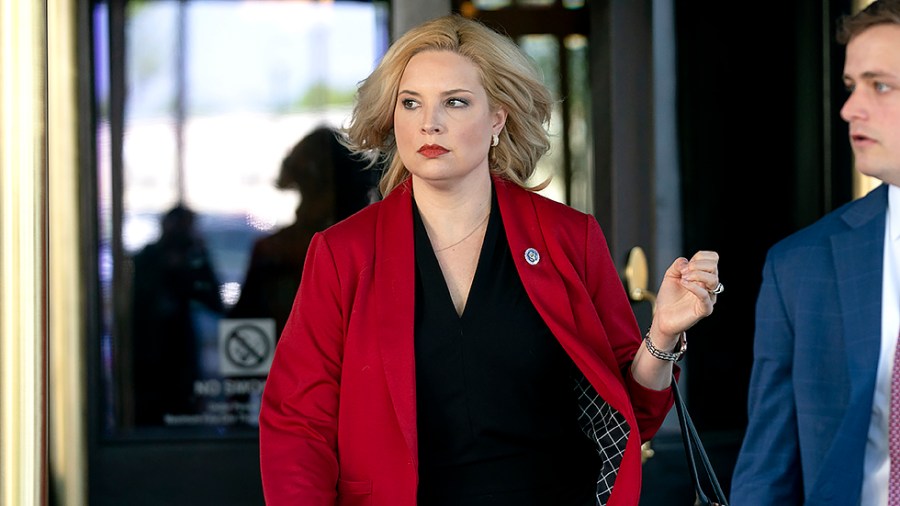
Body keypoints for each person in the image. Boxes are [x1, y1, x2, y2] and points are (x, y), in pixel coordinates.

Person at [258, 14, 721, 506]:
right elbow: (297, 424)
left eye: (455, 102)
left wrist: (664, 333)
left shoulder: (568, 238)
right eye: (410, 102)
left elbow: (629, 416)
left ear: (497, 118)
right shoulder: (343, 252)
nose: (429, 123)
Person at [730, 1, 900, 504]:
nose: (850, 109)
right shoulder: (800, 266)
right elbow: (767, 471)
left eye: (881, 85)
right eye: (851, 86)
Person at [229, 125, 378, 337]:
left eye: (316, 190)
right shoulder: (272, 253)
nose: (306, 207)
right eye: (308, 190)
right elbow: (243, 338)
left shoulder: (372, 253)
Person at [131, 204, 224, 425]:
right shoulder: (148, 258)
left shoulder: (193, 258)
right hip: (151, 356)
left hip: (182, 356)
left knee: (185, 413)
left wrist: (199, 258)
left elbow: (214, 301)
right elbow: (139, 301)